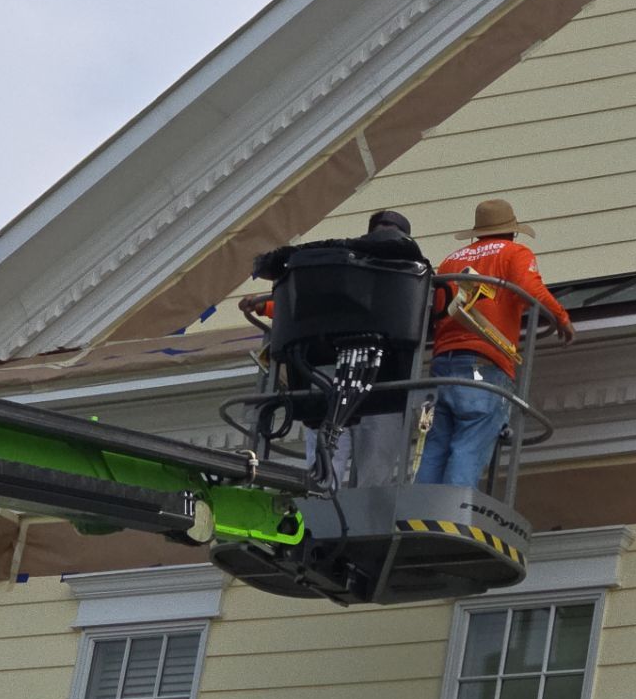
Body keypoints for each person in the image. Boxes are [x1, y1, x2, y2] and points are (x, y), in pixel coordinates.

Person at [240, 210, 422, 486]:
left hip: (352, 376)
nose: (385, 232)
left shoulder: (386, 268)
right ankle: (333, 494)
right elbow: (316, 306)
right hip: (359, 377)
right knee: (360, 458)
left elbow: (311, 306)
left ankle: (333, 494)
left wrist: (267, 306)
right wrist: (267, 306)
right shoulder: (367, 267)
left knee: (350, 458)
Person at [416, 197, 574, 492]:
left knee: (436, 442)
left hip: (444, 361)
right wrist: (561, 318)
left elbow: (437, 307)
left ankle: (419, 507)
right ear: (512, 231)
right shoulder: (515, 252)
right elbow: (530, 288)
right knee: (471, 442)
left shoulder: (451, 261)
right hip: (483, 363)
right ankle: (452, 511)